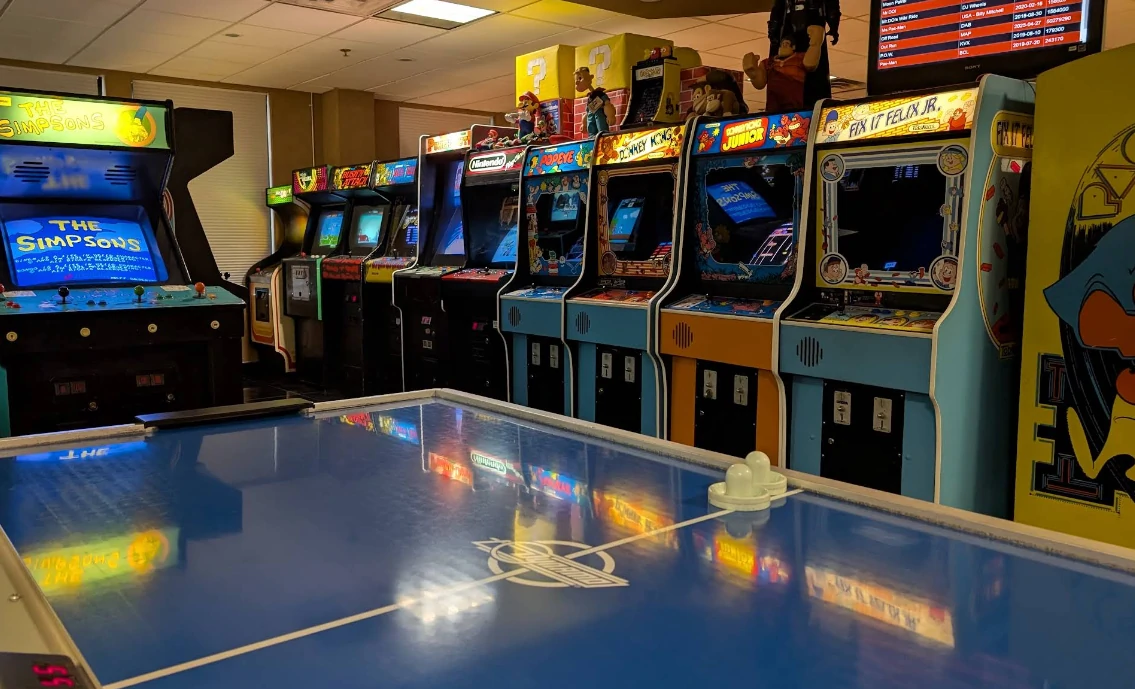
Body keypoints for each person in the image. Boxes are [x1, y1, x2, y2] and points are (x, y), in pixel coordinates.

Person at [766, 0, 841, 108]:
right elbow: (778, 6)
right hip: (791, 22)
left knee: (813, 67)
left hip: (810, 18)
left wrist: (834, 24)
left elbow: (831, 4)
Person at [743, 36, 807, 112]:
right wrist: (753, 75)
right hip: (773, 106)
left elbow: (811, 64)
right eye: (782, 44)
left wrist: (815, 43)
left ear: (793, 47)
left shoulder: (800, 58)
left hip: (794, 104)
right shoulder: (768, 62)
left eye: (786, 43)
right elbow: (760, 84)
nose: (784, 45)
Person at [575, 66, 616, 137]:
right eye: (576, 79)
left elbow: (607, 104)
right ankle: (592, 137)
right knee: (591, 129)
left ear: (591, 77)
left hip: (599, 115)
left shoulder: (600, 93)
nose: (577, 82)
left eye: (580, 78)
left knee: (601, 127)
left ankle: (602, 136)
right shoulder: (590, 97)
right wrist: (584, 124)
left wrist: (610, 116)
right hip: (591, 117)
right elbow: (587, 112)